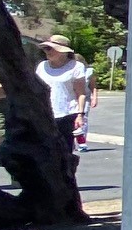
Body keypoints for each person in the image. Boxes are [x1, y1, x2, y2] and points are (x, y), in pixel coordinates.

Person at [36, 36, 89, 174]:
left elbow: (81, 93)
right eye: (46, 48)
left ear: (63, 51)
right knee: (45, 150)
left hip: (67, 114)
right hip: (45, 113)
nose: (47, 51)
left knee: (65, 151)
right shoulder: (42, 67)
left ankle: (66, 179)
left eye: (51, 48)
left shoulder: (76, 67)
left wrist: (80, 115)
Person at [75, 54, 98, 152]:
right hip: (73, 98)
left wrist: (95, 98)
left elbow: (93, 86)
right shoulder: (72, 70)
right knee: (71, 121)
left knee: (83, 119)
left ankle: (82, 142)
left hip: (86, 98)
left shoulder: (89, 71)